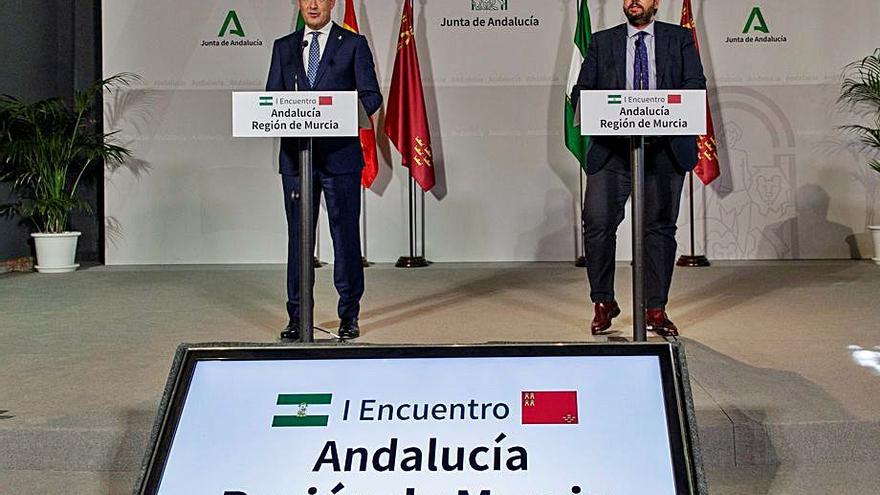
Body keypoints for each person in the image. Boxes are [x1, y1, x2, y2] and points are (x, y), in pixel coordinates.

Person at [571, 0, 706, 336]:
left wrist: (659, 110)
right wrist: (607, 108)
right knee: (597, 223)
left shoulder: (680, 38)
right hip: (612, 150)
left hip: (664, 149)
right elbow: (581, 92)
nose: (634, 1)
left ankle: (655, 308)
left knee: (659, 229)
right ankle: (603, 301)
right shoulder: (602, 41)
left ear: (656, 2)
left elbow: (695, 85)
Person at [266, 0, 382, 340]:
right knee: (298, 240)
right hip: (296, 160)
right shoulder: (283, 47)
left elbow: (371, 96)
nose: (313, 4)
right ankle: (297, 317)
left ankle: (348, 315)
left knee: (345, 238)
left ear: (332, 3)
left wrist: (343, 113)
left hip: (341, 159)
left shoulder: (354, 44)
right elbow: (272, 98)